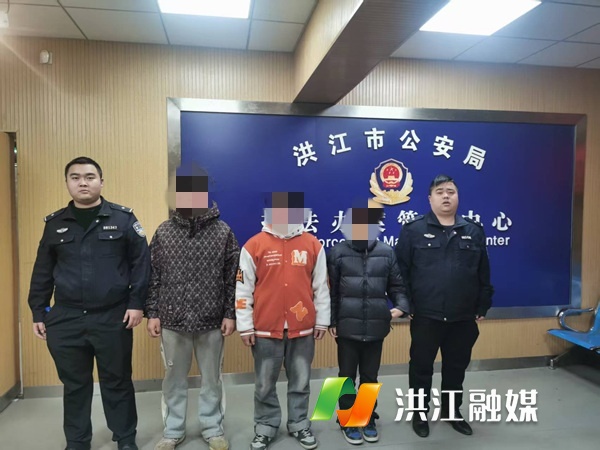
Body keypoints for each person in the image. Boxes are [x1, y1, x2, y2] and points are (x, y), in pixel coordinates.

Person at [28, 156, 151, 450]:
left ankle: (125, 438)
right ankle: (77, 441)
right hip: (66, 318)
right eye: (75, 177)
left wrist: (137, 304)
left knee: (117, 381)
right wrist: (38, 311)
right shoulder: (55, 224)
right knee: (75, 384)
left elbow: (141, 265)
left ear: (101, 182)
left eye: (89, 177)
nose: (83, 182)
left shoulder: (123, 219)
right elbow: (42, 271)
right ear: (67, 183)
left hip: (113, 316)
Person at [146, 166, 239, 450]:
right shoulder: (164, 232)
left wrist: (229, 313)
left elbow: (232, 277)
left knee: (212, 379)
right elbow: (153, 275)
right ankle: (173, 430)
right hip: (172, 320)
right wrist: (153, 313)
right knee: (173, 380)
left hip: (212, 320)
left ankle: (213, 429)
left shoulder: (223, 232)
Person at [395, 174, 494, 438]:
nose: (446, 196)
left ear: (458, 197)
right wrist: (407, 305)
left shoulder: (473, 230)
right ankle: (419, 415)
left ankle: (452, 412)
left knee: (456, 368)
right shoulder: (413, 230)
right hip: (426, 315)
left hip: (462, 316)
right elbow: (401, 272)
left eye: (451, 191)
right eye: (440, 192)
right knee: (421, 368)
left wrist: (483, 304)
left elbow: (483, 272)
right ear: (430, 199)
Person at [235, 192, 331, 450]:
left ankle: (299, 424)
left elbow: (321, 286)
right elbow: (243, 289)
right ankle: (265, 426)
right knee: (264, 384)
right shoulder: (253, 246)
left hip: (303, 330)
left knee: (300, 382)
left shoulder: (312, 244)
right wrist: (245, 326)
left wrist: (322, 321)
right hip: (265, 329)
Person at [328, 199, 410, 445]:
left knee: (370, 376)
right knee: (345, 376)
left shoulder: (386, 252)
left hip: (376, 326)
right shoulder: (338, 252)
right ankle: (347, 420)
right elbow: (330, 292)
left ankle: (365, 417)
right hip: (347, 326)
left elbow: (398, 287)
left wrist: (400, 307)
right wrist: (332, 321)